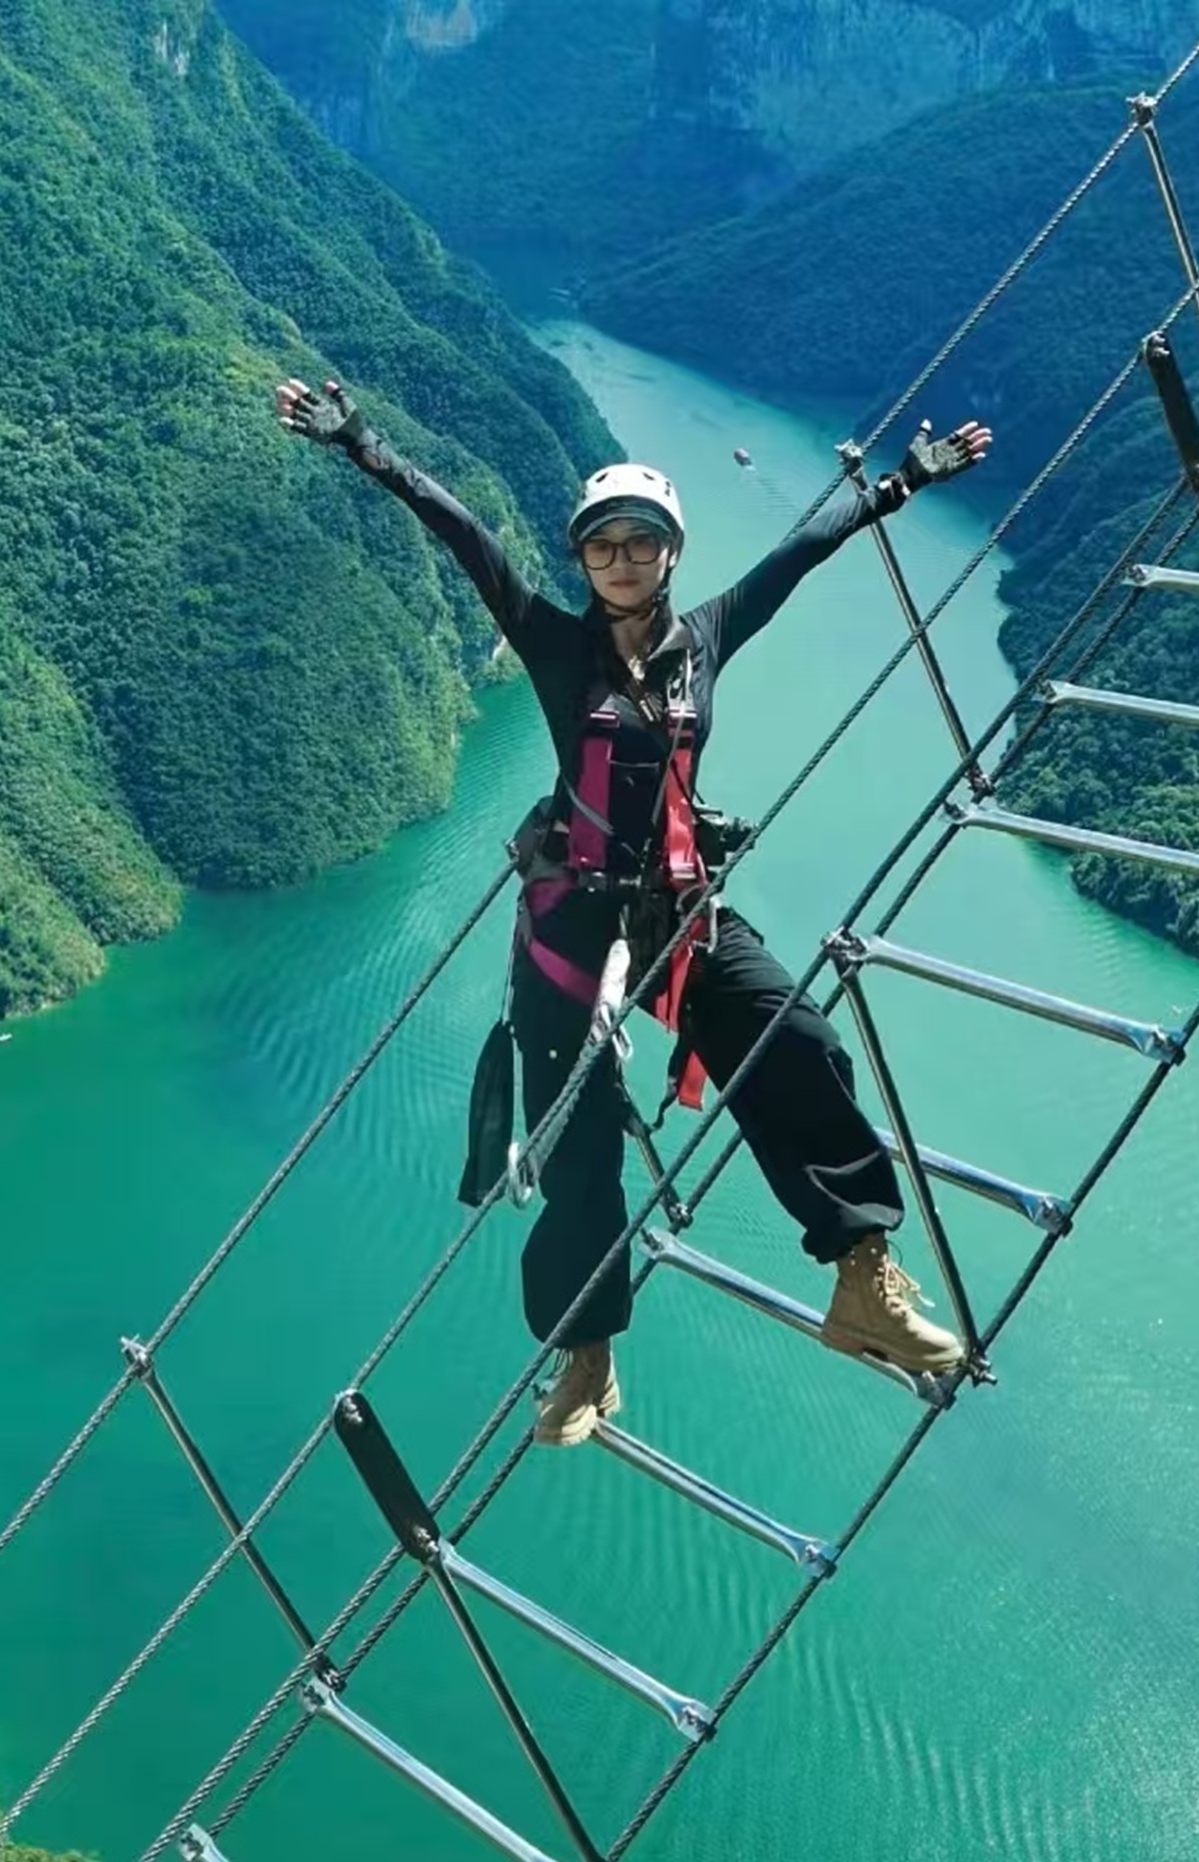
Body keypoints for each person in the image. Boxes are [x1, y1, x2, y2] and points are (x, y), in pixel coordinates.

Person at [275, 375, 990, 1445]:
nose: (622, 558)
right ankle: (587, 1355)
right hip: (570, 915)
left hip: (674, 907)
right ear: (581, 558)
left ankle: (861, 1276)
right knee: (577, 1139)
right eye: (603, 544)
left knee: (792, 1036)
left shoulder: (704, 638)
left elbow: (803, 553)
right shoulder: (553, 644)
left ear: (670, 553)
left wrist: (902, 485)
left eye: (641, 541)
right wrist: (360, 445)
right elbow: (464, 533)